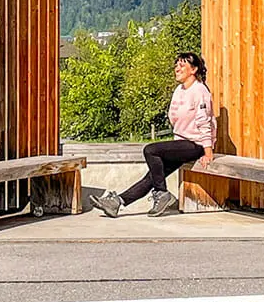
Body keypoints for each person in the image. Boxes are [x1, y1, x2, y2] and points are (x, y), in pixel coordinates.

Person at [90, 52, 216, 218]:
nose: (177, 68)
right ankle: (117, 203)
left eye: (182, 65)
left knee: (151, 150)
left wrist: (208, 152)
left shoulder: (199, 91)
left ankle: (162, 193)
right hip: (181, 143)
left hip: (196, 144)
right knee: (153, 176)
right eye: (176, 65)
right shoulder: (179, 90)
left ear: (194, 70)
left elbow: (204, 122)